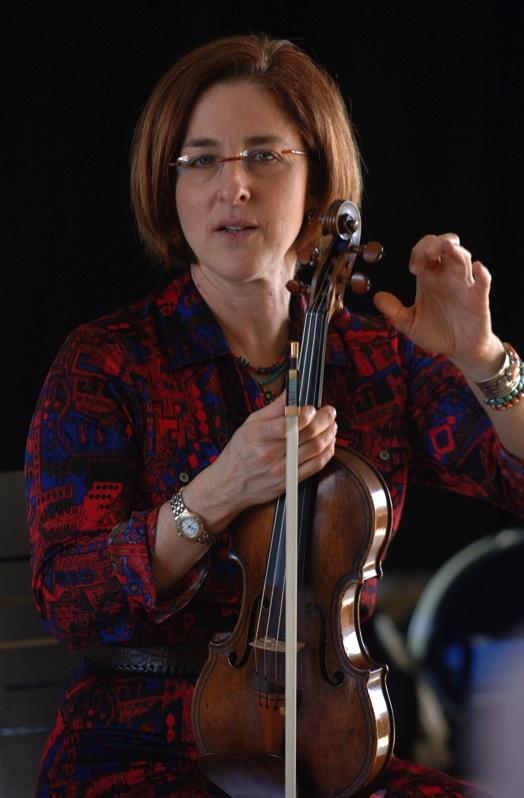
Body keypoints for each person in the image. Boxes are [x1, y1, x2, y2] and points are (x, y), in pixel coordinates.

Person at [25, 33, 524, 797]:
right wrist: (218, 490)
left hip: (334, 741)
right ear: (170, 185)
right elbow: (70, 598)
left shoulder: (375, 359)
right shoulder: (108, 363)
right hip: (147, 745)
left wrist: (483, 357)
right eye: (201, 160)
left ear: (318, 178)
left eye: (264, 155)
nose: (235, 188)